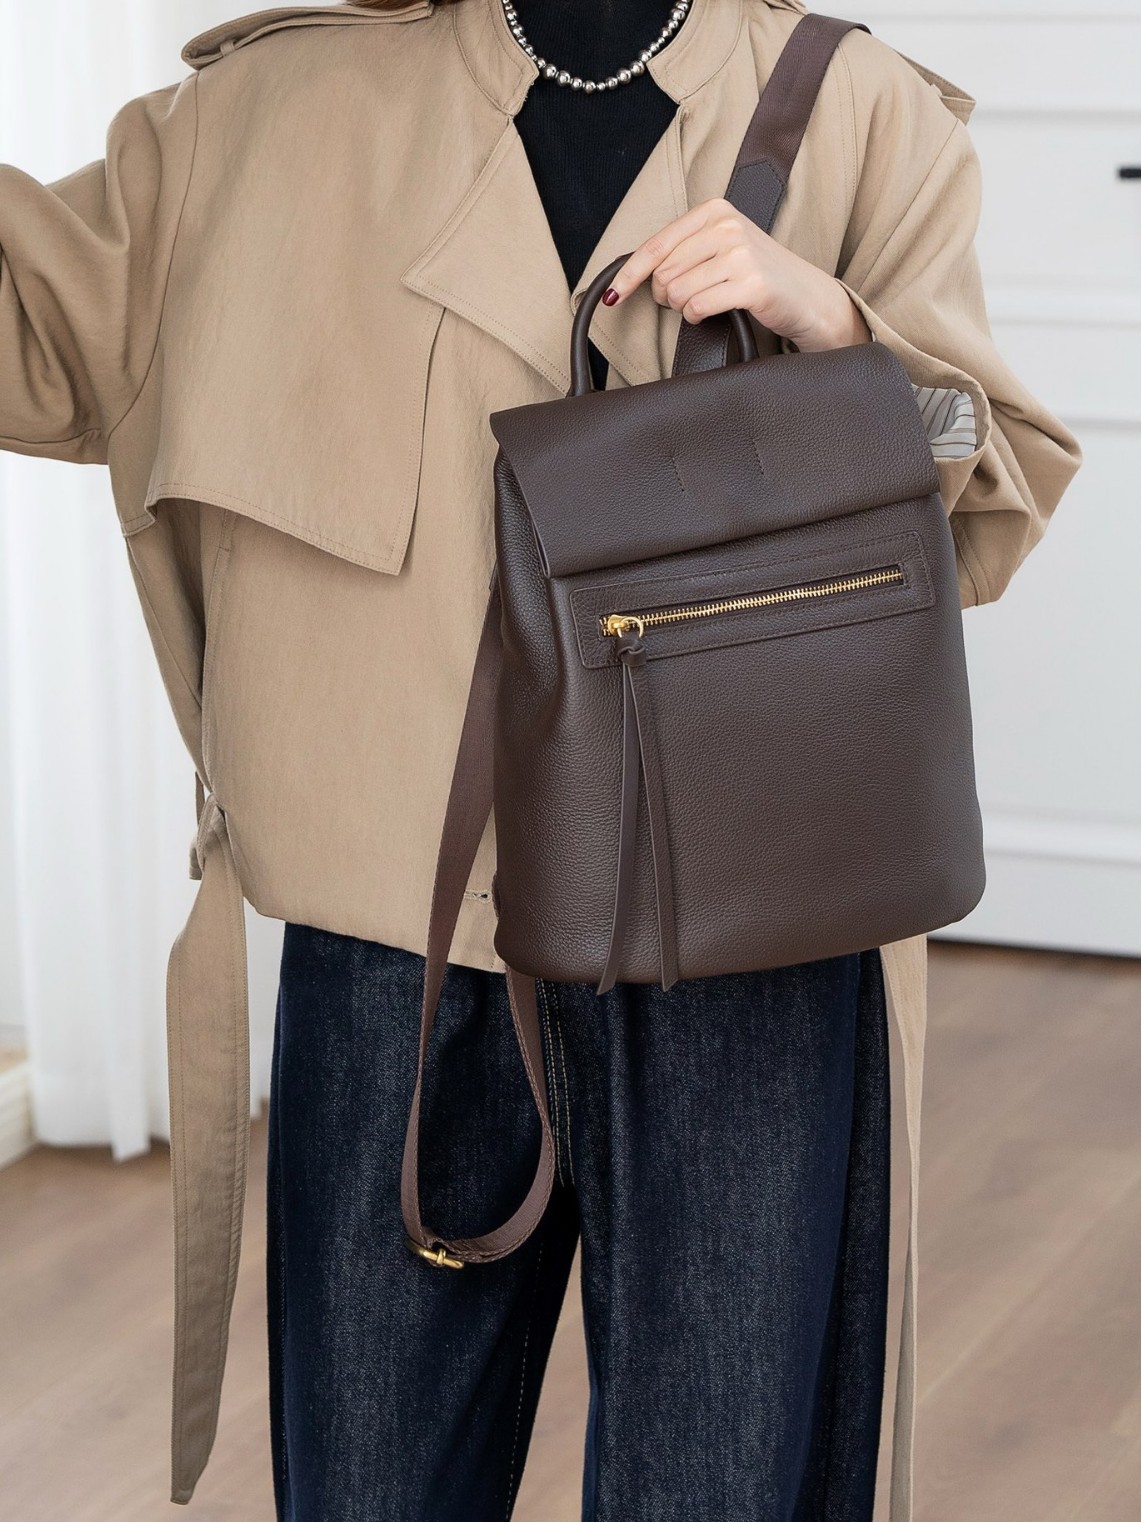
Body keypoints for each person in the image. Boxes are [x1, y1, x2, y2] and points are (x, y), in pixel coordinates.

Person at [0, 1, 1080, 1519]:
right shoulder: (271, 107)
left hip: (747, 933)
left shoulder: (857, 107)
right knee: (369, 1478)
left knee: (718, 1482)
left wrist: (831, 329)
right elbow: (35, 337)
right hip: (400, 937)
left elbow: (993, 480)